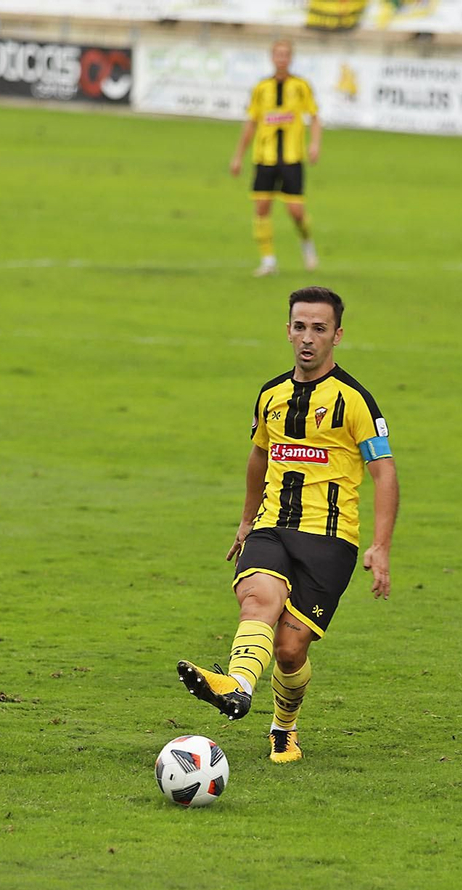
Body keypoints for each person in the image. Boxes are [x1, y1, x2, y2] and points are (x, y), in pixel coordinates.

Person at [178, 286, 398, 763]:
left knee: (291, 649)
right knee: (257, 600)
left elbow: (385, 472)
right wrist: (245, 520)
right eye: (299, 326)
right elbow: (259, 455)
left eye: (319, 329)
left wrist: (380, 546)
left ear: (337, 335)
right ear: (287, 330)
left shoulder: (355, 401)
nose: (307, 338)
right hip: (272, 525)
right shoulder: (271, 395)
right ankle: (236, 686)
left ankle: (284, 727)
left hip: (331, 538)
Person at [229, 40, 322, 278]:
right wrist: (238, 155)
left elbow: (314, 116)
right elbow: (251, 122)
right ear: (272, 57)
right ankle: (268, 261)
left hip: (292, 158)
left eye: (286, 55)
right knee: (261, 208)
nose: (282, 58)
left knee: (296, 212)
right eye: (278, 55)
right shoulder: (261, 88)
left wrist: (314, 144)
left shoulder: (301, 86)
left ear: (291, 58)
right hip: (265, 158)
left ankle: (307, 243)